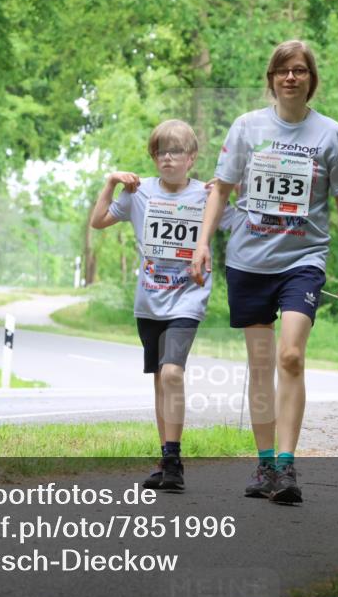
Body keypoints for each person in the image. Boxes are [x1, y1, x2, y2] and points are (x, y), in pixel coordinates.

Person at [191, 40, 338, 504]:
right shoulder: (247, 127)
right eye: (283, 70)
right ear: (271, 78)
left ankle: (286, 466)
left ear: (311, 80)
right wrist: (202, 245)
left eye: (300, 70)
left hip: (303, 261)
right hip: (248, 261)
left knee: (290, 356)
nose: (291, 77)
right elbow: (220, 191)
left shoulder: (330, 134)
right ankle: (265, 463)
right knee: (261, 364)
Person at [90, 119, 234, 492]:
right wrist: (109, 184)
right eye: (161, 152)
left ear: (192, 157)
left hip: (188, 297)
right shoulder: (139, 193)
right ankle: (167, 459)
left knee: (172, 373)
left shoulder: (205, 195)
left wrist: (232, 192)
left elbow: (242, 222)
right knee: (160, 380)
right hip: (149, 302)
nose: (168, 159)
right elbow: (98, 221)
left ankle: (174, 459)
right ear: (153, 157)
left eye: (176, 152)